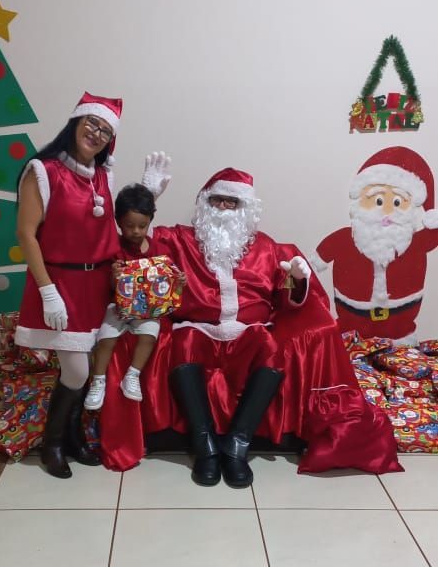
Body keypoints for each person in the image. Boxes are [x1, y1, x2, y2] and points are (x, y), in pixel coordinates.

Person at [98, 167, 402, 483]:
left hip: (248, 331)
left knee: (270, 349)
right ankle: (205, 448)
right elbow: (135, 239)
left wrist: (297, 281)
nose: (224, 207)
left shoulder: (267, 248)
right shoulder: (179, 240)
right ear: (204, 203)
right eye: (217, 200)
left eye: (232, 202)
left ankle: (236, 446)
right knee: (183, 343)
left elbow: (286, 301)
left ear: (245, 208)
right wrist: (148, 194)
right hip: (197, 328)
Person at [15, 91, 122, 479]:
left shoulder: (104, 177)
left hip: (96, 285)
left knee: (87, 366)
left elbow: (108, 230)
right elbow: (26, 235)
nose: (96, 133)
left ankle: (74, 437)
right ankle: (53, 443)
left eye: (106, 131)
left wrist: (148, 193)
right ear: (76, 122)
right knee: (75, 371)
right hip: (60, 284)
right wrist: (47, 291)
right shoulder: (43, 171)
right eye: (92, 123)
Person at [312, 147, 438, 342]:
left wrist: (432, 218)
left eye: (397, 202)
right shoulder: (344, 240)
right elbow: (316, 261)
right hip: (352, 331)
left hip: (400, 333)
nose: (387, 211)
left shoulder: (415, 243)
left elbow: (433, 235)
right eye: (378, 200)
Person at [85, 183, 174, 409]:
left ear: (150, 220)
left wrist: (178, 281)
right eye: (129, 225)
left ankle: (132, 375)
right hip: (117, 307)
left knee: (149, 335)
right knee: (106, 339)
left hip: (147, 310)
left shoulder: (160, 250)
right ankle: (98, 381)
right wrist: (114, 277)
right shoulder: (113, 249)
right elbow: (105, 287)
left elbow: (167, 283)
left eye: (142, 226)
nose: (136, 231)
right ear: (118, 222)